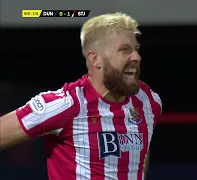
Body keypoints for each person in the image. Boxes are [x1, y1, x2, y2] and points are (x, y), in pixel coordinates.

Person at [0, 12, 162, 180]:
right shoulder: (65, 104)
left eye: (136, 49)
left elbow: (141, 156)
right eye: (124, 50)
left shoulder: (148, 101)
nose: (136, 57)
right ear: (96, 59)